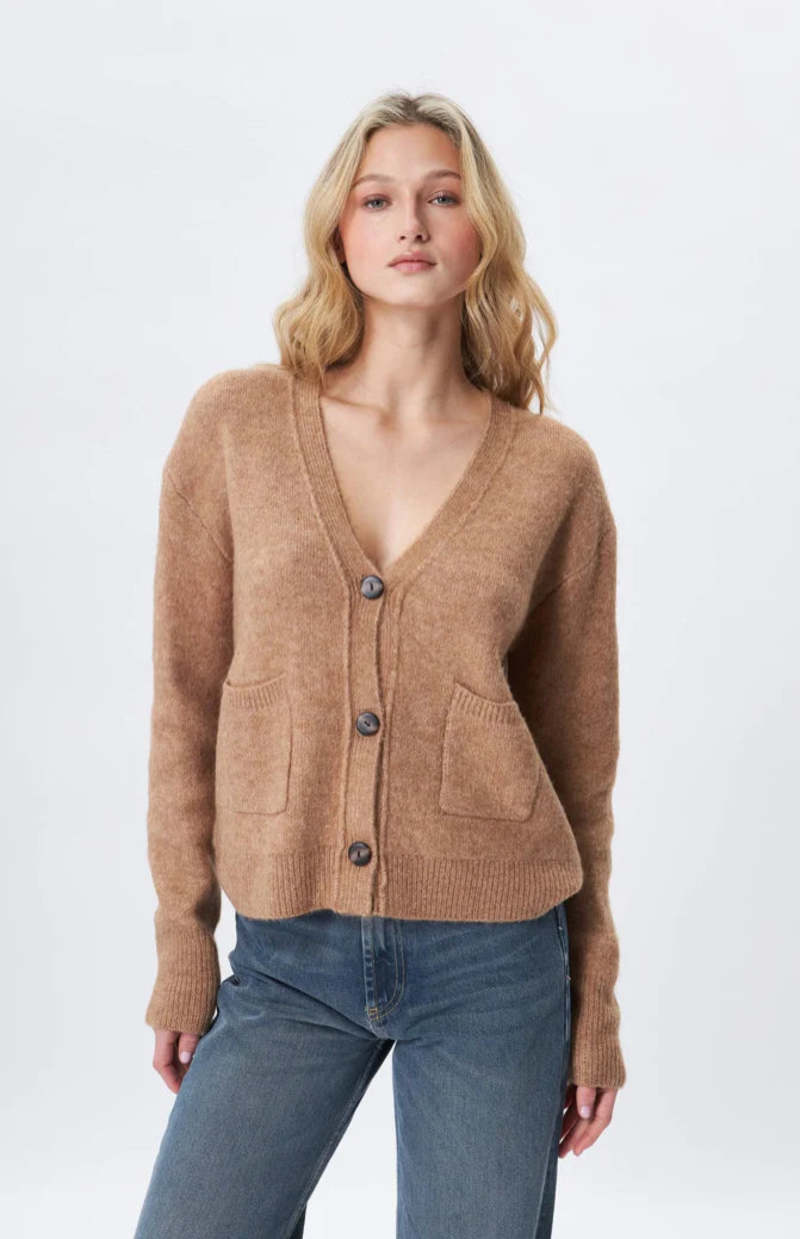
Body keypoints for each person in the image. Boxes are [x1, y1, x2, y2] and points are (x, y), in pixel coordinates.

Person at [134, 90, 627, 1239]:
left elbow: (578, 760)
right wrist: (181, 945)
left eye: (442, 196)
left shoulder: (550, 472)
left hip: (495, 962)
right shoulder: (238, 427)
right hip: (287, 954)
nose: (410, 222)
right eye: (378, 199)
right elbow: (184, 701)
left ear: (480, 231)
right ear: (337, 232)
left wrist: (592, 1001)